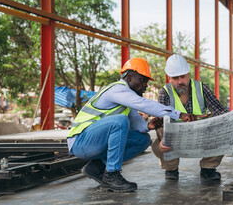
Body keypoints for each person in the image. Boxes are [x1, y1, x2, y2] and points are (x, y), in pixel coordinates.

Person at [67, 57, 194, 192]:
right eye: (142, 80)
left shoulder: (126, 97)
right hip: (80, 142)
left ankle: (97, 167)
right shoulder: (117, 89)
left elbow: (136, 121)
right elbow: (144, 104)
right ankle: (111, 175)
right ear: (129, 77)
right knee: (120, 120)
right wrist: (179, 114)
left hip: (93, 142)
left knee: (143, 139)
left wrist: (148, 126)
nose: (145, 85)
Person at [151, 54, 229, 180]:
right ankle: (171, 169)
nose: (180, 81)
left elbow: (219, 111)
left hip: (201, 136)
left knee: (222, 135)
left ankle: (208, 168)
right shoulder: (164, 93)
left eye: (183, 76)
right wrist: (162, 139)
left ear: (188, 74)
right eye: (175, 78)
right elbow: (160, 121)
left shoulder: (201, 89)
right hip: (176, 139)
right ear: (169, 78)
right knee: (157, 145)